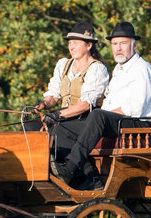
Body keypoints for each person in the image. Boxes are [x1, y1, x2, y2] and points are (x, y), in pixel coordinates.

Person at [52, 21, 151, 190]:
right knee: (64, 126)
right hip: (118, 121)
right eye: (115, 44)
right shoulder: (119, 69)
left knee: (97, 115)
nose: (118, 48)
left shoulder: (142, 70)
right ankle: (89, 179)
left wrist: (101, 116)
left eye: (123, 43)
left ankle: (70, 167)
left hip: (138, 124)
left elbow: (134, 109)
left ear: (134, 45)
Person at [26, 22, 110, 159]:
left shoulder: (97, 69)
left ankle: (67, 168)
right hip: (63, 117)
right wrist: (42, 104)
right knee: (30, 127)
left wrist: (57, 115)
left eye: (75, 42)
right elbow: (54, 96)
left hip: (85, 120)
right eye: (70, 43)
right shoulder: (63, 64)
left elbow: (85, 104)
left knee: (58, 131)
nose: (71, 46)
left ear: (89, 45)